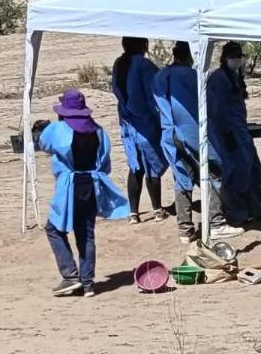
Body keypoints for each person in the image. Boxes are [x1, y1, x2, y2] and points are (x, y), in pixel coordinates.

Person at [35, 89, 129, 297]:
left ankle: (70, 276)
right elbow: (105, 163)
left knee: (54, 228)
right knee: (86, 233)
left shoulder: (59, 129)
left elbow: (44, 144)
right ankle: (88, 283)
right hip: (92, 184)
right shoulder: (98, 131)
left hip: (70, 185)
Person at [153, 41, 243, 243]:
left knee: (182, 176)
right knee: (212, 171)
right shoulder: (192, 76)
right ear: (190, 56)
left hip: (169, 134)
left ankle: (185, 229)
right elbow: (210, 104)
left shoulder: (160, 76)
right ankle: (217, 222)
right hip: (192, 131)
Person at [206, 42, 261, 225]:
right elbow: (216, 109)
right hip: (227, 133)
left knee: (252, 169)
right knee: (234, 174)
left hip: (240, 131)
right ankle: (237, 214)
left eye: (239, 55)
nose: (237, 59)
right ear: (224, 57)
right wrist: (226, 133)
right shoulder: (218, 78)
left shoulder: (234, 76)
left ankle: (254, 209)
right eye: (233, 55)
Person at [111, 37, 168, 223]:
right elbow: (154, 95)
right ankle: (157, 209)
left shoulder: (119, 63)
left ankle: (133, 212)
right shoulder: (144, 65)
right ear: (143, 46)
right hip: (145, 122)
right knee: (152, 165)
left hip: (127, 124)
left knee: (135, 165)